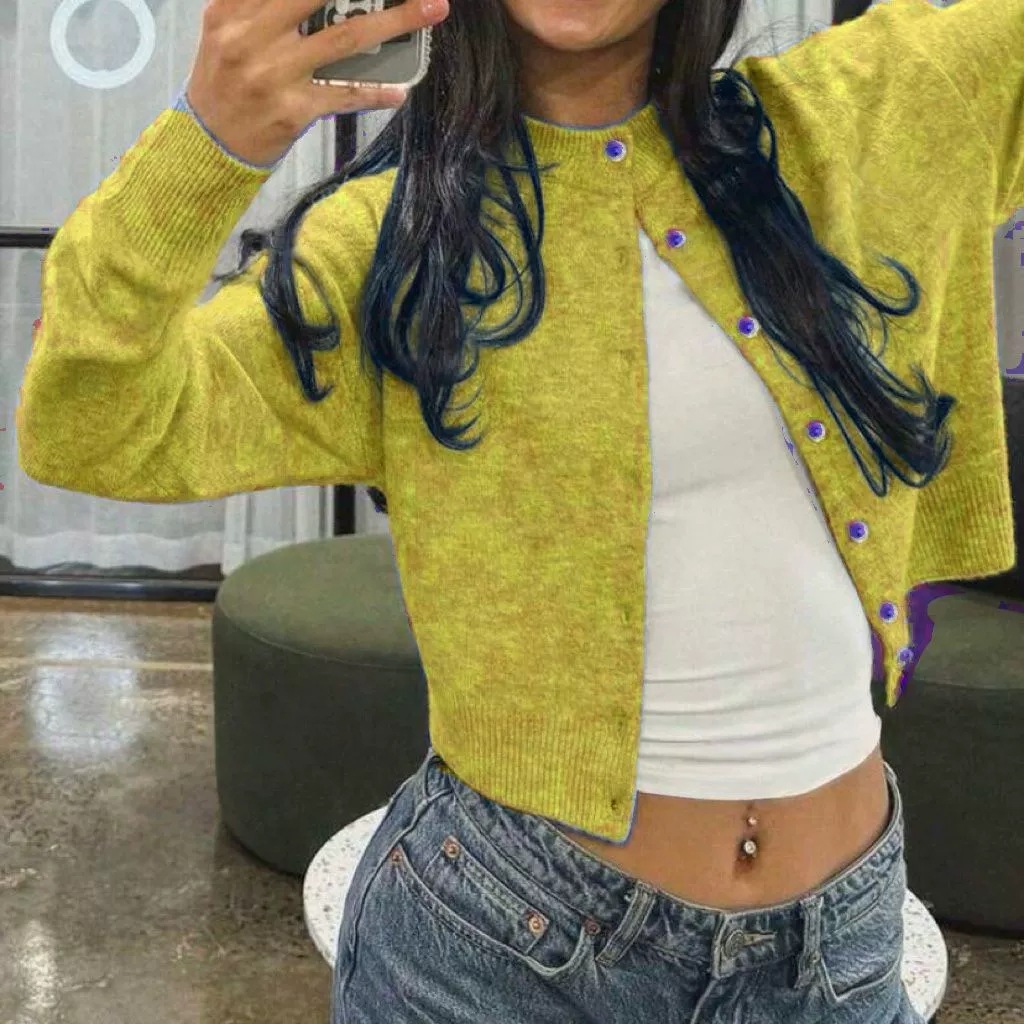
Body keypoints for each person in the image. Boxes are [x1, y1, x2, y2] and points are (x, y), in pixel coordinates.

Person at [17, 0, 1022, 1021]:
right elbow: (88, 424)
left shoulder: (867, 116)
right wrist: (208, 143)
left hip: (836, 949)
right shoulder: (397, 243)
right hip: (497, 945)